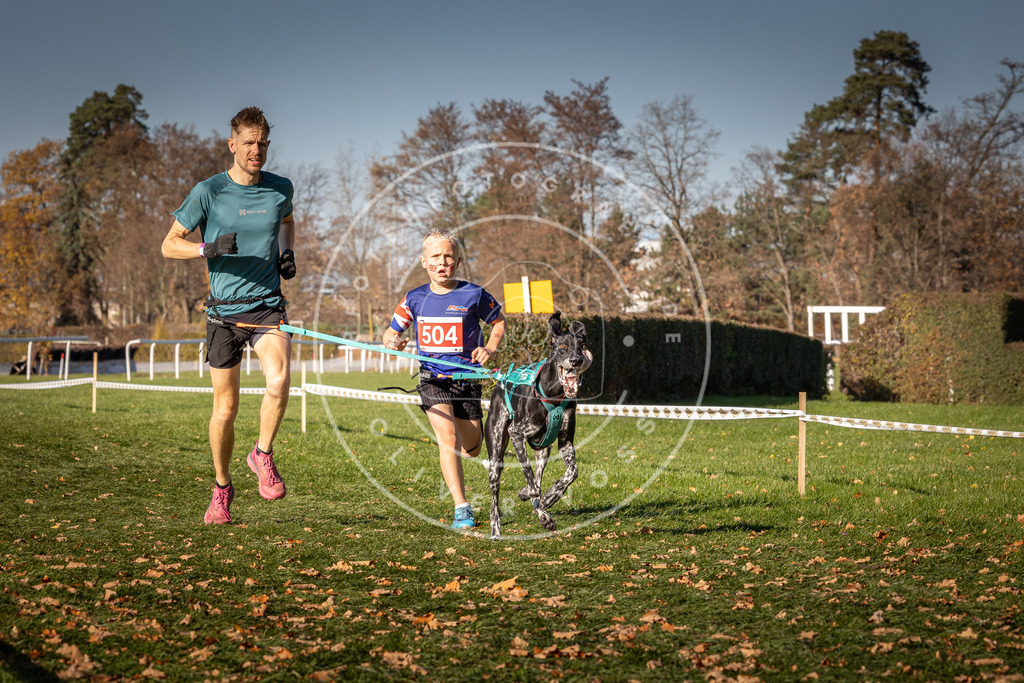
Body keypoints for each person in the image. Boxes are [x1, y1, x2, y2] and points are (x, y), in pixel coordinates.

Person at [161, 106, 297, 525]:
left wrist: (287, 253)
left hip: (266, 306)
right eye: (249, 143)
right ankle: (222, 487)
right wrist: (207, 248)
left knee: (278, 380)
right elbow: (169, 245)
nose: (256, 151)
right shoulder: (210, 190)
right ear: (232, 144)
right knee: (226, 409)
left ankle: (263, 453)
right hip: (223, 314)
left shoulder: (280, 188)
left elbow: (287, 220)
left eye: (263, 144)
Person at [382, 230, 505, 529]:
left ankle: (467, 452)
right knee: (446, 439)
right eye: (435, 256)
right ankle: (461, 507)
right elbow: (391, 332)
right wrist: (392, 341)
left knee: (472, 446)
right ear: (424, 261)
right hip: (432, 380)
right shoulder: (414, 298)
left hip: (466, 380)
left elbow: (499, 322)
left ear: (458, 261)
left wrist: (489, 347)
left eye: (448, 256)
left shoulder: (473, 294)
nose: (442, 262)